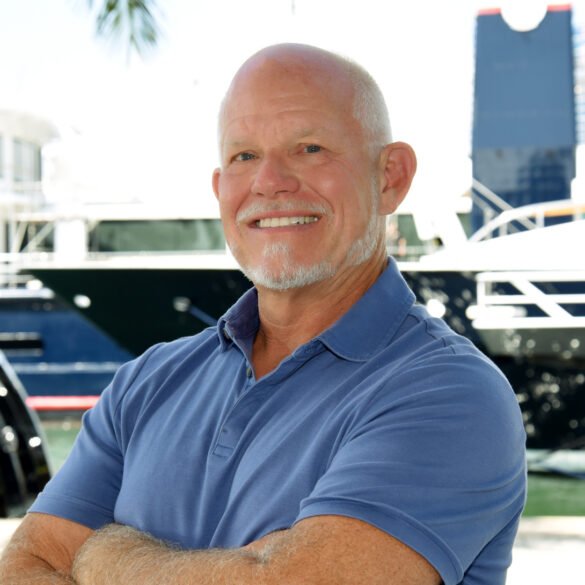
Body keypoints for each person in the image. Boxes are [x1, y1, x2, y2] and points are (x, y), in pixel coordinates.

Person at [0, 43, 526, 585]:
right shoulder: (146, 384)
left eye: (310, 148)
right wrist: (249, 568)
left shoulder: (451, 393)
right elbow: (26, 565)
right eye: (244, 156)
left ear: (390, 176)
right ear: (219, 188)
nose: (269, 181)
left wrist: (104, 556)